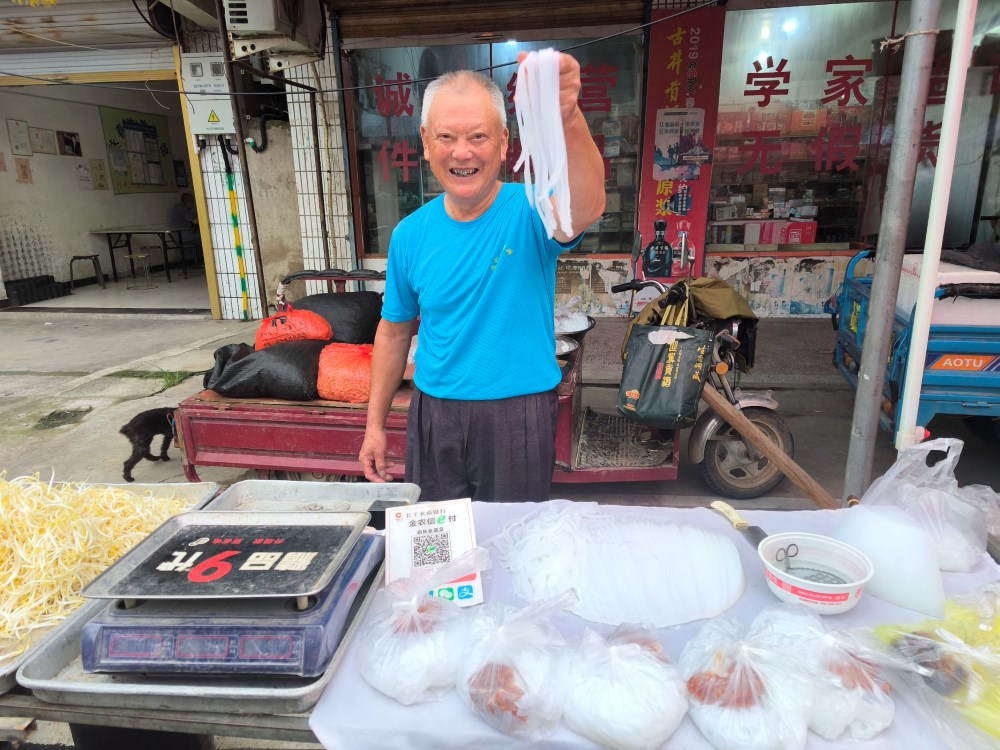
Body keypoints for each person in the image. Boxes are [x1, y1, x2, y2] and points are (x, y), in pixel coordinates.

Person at [358, 52, 606, 502]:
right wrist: (374, 426)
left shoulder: (533, 210)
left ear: (504, 141)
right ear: (426, 143)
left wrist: (567, 116)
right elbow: (394, 334)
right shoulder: (409, 234)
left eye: (478, 136)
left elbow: (585, 205)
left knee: (512, 546)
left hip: (519, 414)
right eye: (447, 137)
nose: (463, 152)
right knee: (439, 547)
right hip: (435, 414)